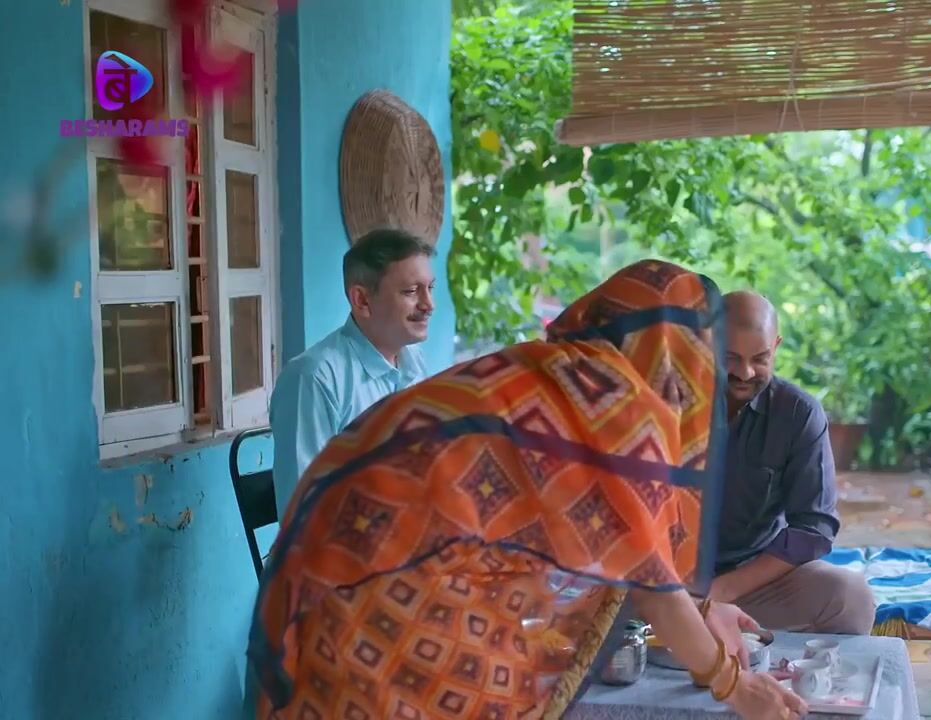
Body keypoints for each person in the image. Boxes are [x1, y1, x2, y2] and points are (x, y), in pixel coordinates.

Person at [245, 260, 808, 720]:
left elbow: (619, 555)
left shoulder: (546, 373)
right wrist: (738, 689)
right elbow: (652, 587)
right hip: (378, 583)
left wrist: (704, 609)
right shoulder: (619, 409)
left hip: (326, 566)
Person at [705, 290, 876, 635]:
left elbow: (813, 528)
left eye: (760, 359)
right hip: (663, 586)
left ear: (776, 346)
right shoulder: (669, 402)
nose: (745, 372)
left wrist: (718, 592)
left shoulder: (798, 413)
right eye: (730, 358)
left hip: (751, 583)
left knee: (851, 598)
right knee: (598, 601)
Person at [268, 228, 436, 517]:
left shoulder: (414, 362)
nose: (429, 305)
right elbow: (304, 514)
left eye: (430, 288)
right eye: (411, 291)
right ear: (362, 300)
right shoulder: (313, 378)